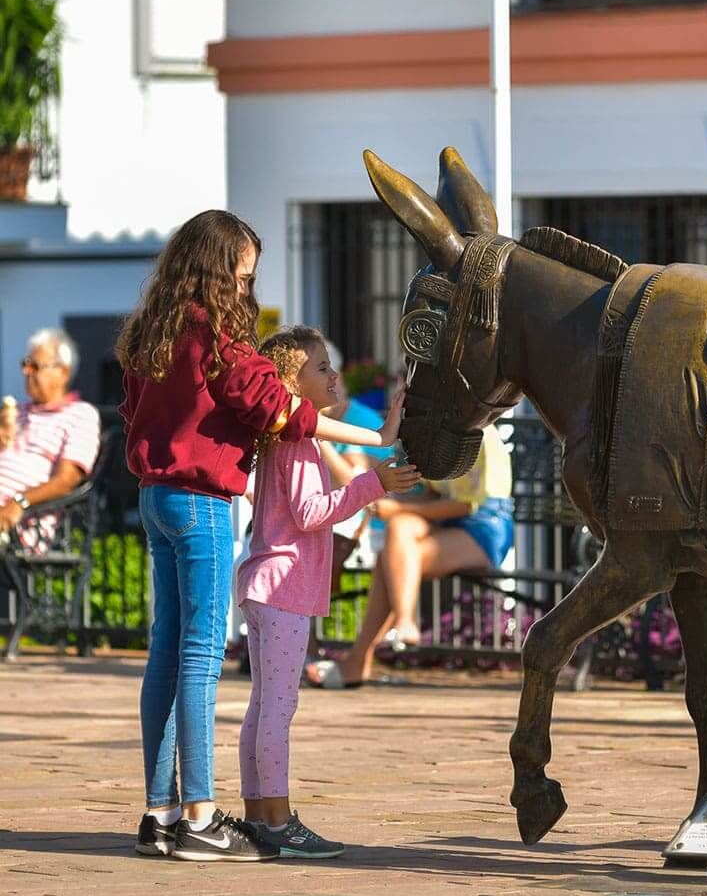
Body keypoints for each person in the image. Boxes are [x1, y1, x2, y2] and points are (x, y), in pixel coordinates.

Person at [118, 209, 405, 863]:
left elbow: (131, 413)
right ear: (216, 272)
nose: (246, 290)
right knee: (199, 654)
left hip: (154, 495)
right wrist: (378, 440)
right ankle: (200, 815)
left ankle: (159, 814)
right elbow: (283, 412)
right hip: (202, 502)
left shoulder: (148, 336)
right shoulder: (218, 342)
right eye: (242, 276)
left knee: (165, 651)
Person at [236, 327, 419, 857]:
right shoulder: (296, 441)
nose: (333, 373)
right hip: (282, 588)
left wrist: (388, 429)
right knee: (279, 707)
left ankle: (258, 814)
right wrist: (373, 484)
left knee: (263, 706)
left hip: (269, 586)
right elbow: (311, 513)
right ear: (292, 385)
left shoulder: (294, 437)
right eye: (320, 367)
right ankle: (276, 819)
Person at [308, 423, 514, 689]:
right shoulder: (434, 434)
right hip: (448, 523)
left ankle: (362, 657)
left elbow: (464, 505)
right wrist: (396, 507)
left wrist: (396, 507)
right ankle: (402, 626)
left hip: (486, 526)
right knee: (399, 531)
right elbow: (431, 496)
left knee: (391, 558)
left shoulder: (480, 434)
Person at [0, 329, 101, 549]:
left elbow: (67, 480)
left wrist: (20, 501)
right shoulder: (15, 412)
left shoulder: (81, 414)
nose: (26, 372)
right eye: (25, 364)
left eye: (35, 366)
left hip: (19, 528)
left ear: (63, 373)